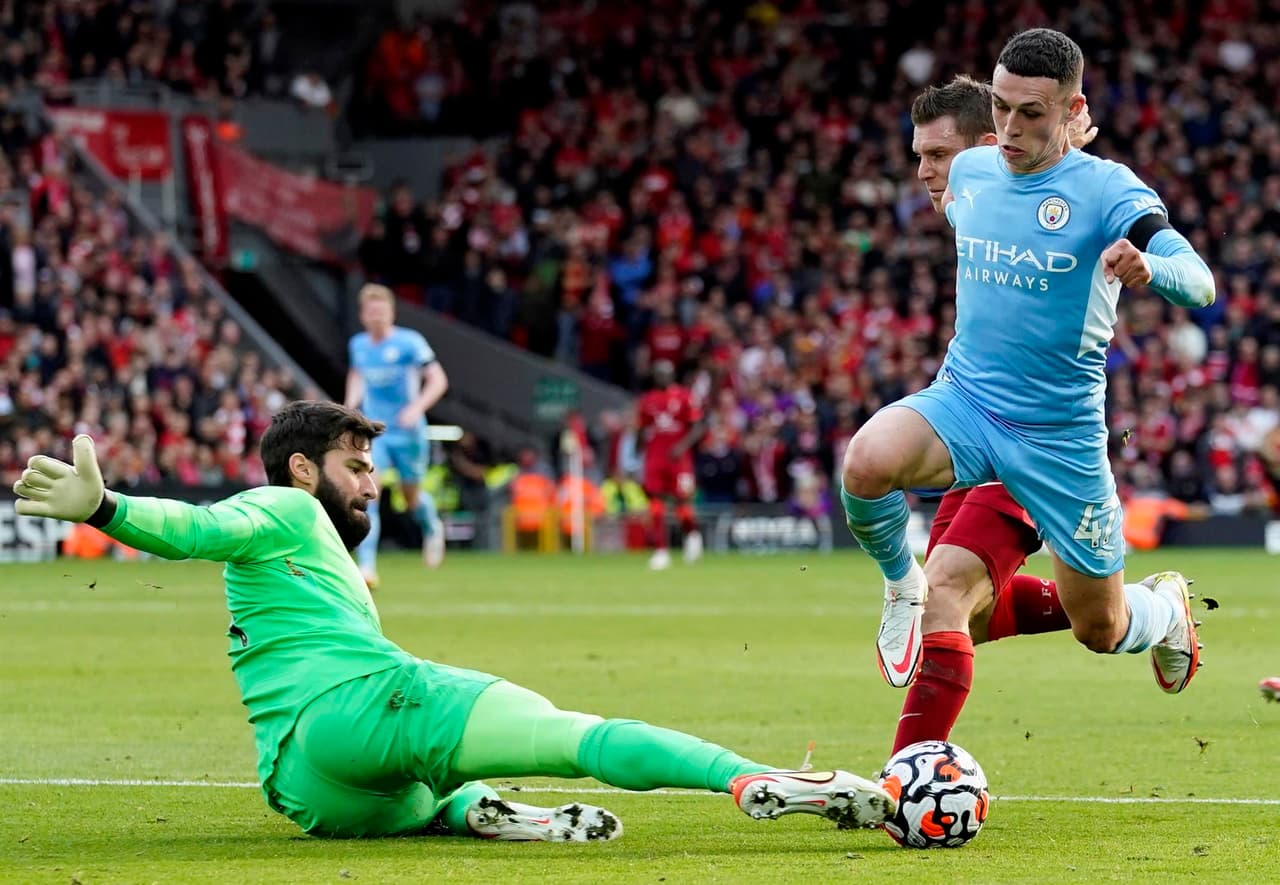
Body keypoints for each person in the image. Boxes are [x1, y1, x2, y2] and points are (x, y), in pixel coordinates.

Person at [11, 401, 896, 840]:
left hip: (303, 785)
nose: (371, 481)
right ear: (303, 469)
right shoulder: (285, 509)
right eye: (356, 465)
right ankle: (753, 780)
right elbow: (201, 527)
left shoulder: (304, 551)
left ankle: (494, 815)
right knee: (572, 733)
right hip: (363, 703)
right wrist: (108, 508)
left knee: (429, 792)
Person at [841, 29, 1212, 708]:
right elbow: (971, 178)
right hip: (968, 405)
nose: (1009, 128)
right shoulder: (972, 174)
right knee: (867, 465)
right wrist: (1045, 135)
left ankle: (1162, 610)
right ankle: (902, 582)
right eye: (1003, 109)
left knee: (1100, 627)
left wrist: (1149, 265)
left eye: (1032, 113)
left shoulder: (1108, 191)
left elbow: (1199, 279)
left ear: (1073, 109)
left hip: (1057, 435)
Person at [345, 283, 447, 587]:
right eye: (371, 311)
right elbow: (358, 374)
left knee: (410, 497)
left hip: (409, 432)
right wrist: (350, 405)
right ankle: (367, 567)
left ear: (391, 312)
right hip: (376, 433)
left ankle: (432, 528)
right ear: (363, 315)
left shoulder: (409, 343)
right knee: (367, 493)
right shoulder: (359, 345)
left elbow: (438, 379)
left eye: (382, 310)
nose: (377, 316)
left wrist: (417, 407)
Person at [636, 360, 704, 570]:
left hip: (679, 459)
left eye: (666, 373)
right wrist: (636, 453)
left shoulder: (685, 397)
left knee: (682, 502)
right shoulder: (647, 400)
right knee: (655, 502)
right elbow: (642, 428)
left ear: (673, 374)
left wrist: (682, 446)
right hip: (655, 457)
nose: (662, 377)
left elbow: (698, 427)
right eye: (658, 373)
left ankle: (692, 534)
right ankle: (661, 550)